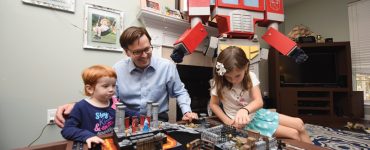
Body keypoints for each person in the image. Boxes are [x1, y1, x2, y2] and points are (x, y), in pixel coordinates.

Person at [55, 26, 198, 128]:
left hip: (158, 119)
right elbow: (106, 97)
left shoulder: (167, 66)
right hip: (126, 120)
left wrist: (187, 111)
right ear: (127, 52)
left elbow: (179, 92)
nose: (144, 55)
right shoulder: (117, 69)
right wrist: (77, 106)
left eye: (147, 49)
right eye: (137, 52)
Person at [209, 46, 312, 143]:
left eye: (237, 76)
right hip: (244, 123)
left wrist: (244, 110)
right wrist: (227, 120)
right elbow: (213, 104)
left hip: (257, 114)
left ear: (246, 66)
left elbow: (258, 101)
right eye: (229, 77)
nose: (234, 81)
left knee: (299, 123)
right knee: (293, 133)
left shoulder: (250, 76)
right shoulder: (218, 82)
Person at [61, 65, 117, 148]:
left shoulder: (114, 102)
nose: (111, 89)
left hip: (110, 144)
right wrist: (87, 136)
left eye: (113, 85)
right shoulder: (80, 107)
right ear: (90, 89)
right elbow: (67, 130)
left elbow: (128, 113)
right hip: (92, 145)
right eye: (106, 86)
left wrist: (142, 116)